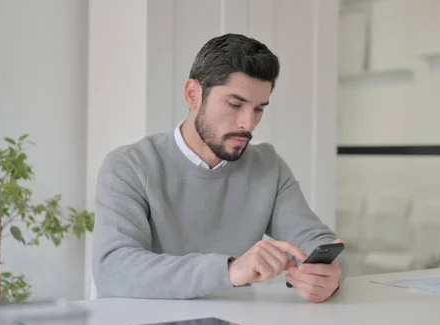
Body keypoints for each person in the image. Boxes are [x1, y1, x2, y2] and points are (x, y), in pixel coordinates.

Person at [92, 33, 347, 303]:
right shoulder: (130, 166)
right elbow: (113, 269)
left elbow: (317, 240)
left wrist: (329, 274)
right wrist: (230, 270)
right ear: (193, 94)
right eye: (235, 104)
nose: (248, 123)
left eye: (259, 109)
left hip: (233, 324)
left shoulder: (267, 166)